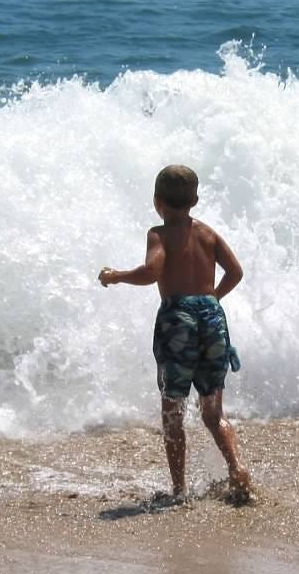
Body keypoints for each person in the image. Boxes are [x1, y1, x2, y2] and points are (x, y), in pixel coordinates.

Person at [98, 164, 252, 502]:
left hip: (177, 320)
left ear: (157, 202)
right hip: (212, 317)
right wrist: (212, 299)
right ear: (195, 200)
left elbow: (152, 271)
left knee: (173, 410)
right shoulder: (208, 234)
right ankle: (237, 467)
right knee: (213, 413)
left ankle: (180, 490)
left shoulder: (160, 233)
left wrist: (116, 275)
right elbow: (236, 272)